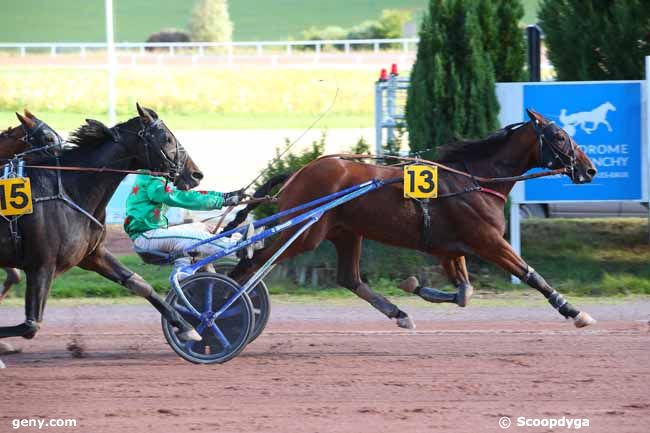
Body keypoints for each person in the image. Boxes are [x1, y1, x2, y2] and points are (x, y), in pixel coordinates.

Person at [123, 173, 248, 266]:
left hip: (153, 234)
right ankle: (237, 248)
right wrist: (221, 201)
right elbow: (182, 198)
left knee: (201, 227)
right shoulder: (152, 180)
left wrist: (224, 196)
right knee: (197, 237)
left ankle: (235, 237)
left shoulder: (155, 178)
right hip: (147, 236)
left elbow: (188, 195)